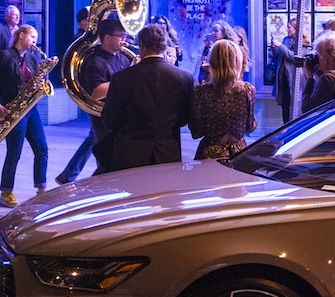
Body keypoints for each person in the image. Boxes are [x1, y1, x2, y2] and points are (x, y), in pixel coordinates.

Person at [101, 23, 195, 172]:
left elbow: (110, 120)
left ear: (142, 45)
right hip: (168, 154)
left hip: (129, 155)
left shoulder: (121, 78)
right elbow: (185, 118)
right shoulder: (184, 77)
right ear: (165, 46)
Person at [57, 11, 130, 183]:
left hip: (121, 116)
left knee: (110, 163)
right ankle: (88, 190)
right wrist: (125, 80)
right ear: (107, 38)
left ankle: (70, 176)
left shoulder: (123, 56)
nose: (124, 39)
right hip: (103, 117)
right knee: (106, 162)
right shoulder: (95, 61)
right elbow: (97, 93)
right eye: (120, 36)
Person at [0, 24, 49, 206]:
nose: (34, 43)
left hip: (31, 109)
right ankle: (6, 192)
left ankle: (41, 188)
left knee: (42, 148)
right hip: (13, 110)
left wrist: (40, 82)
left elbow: (36, 79)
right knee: (14, 153)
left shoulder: (31, 57)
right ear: (21, 35)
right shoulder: (5, 55)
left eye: (36, 40)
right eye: (32, 38)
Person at [190, 40, 256, 159]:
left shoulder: (201, 92)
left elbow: (196, 131)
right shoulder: (247, 90)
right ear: (237, 62)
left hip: (210, 155)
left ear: (212, 63)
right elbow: (250, 127)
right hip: (239, 155)